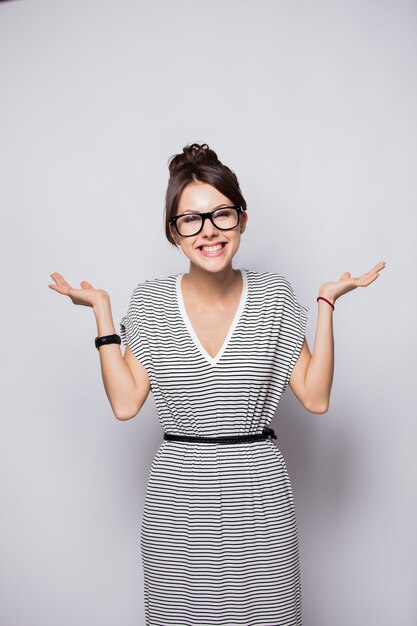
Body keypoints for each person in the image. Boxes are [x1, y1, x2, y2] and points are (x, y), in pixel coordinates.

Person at [49, 142, 385, 625]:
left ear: (242, 220)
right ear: (174, 232)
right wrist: (103, 313)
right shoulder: (150, 302)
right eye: (191, 219)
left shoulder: (274, 295)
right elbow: (125, 404)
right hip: (178, 506)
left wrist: (326, 304)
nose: (209, 231)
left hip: (260, 499)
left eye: (222, 215)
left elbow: (315, 396)